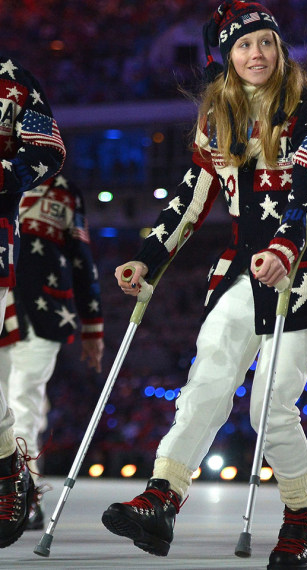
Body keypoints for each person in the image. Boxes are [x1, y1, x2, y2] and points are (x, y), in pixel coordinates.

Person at [100, 3, 307, 569]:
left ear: (279, 48)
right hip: (244, 269)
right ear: (227, 56)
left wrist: (285, 249)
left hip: (306, 274)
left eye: (264, 42)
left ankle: (301, 518)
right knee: (209, 369)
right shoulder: (219, 118)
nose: (255, 54)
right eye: (243, 46)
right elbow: (191, 196)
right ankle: (162, 497)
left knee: (270, 408)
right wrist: (146, 258)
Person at [0, 172, 104, 530]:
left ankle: (26, 496)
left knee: (23, 400)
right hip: (6, 305)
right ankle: (12, 491)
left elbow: (81, 256)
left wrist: (93, 326)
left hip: (45, 310)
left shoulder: (63, 192)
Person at [0, 55, 66, 547]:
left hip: (8, 254)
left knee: (21, 395)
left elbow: (48, 148)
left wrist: (5, 173)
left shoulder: (17, 81)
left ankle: (9, 472)